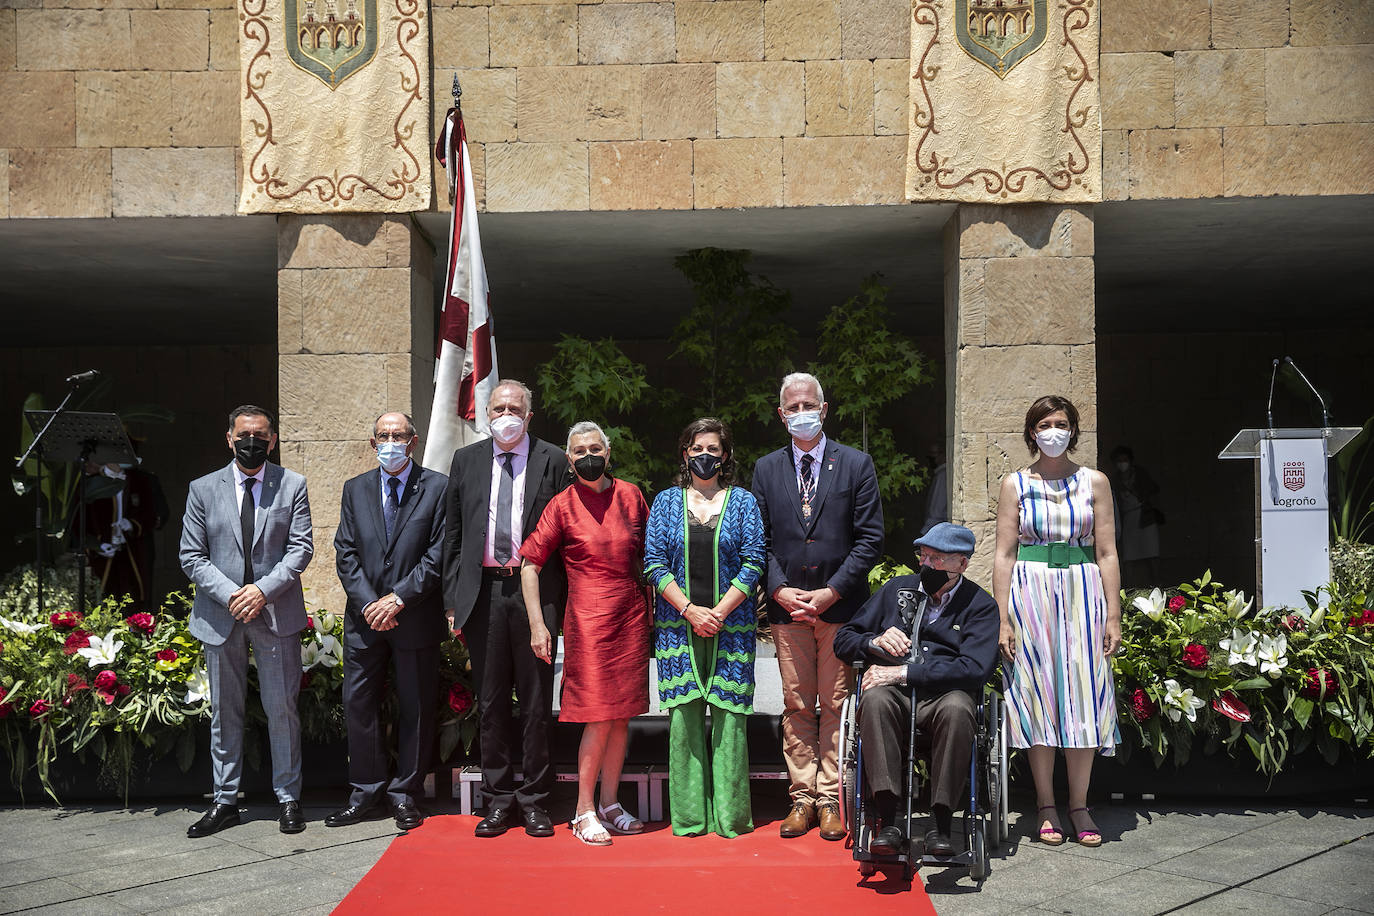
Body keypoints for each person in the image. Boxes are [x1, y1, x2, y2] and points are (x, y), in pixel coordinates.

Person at [751, 372, 884, 840]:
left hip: (840, 610)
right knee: (797, 705)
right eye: (793, 406)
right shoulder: (766, 469)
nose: (802, 412)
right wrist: (779, 589)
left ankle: (832, 799)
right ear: (781, 413)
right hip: (788, 609)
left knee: (836, 702)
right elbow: (757, 540)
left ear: (824, 410)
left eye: (810, 404)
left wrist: (832, 592)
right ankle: (801, 799)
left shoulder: (856, 464)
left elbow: (870, 540)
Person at [994, 395, 1122, 848]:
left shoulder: (1095, 482)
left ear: (1073, 429)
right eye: (1045, 423)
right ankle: (1046, 804)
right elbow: (1004, 555)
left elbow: (1107, 551)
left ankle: (1080, 804)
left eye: (1062, 423)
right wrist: (1003, 620)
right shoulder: (1016, 484)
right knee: (1038, 693)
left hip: (1082, 591)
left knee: (1084, 693)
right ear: (1032, 432)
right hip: (1030, 593)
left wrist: (1113, 614)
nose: (1054, 430)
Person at [179, 405, 313, 837]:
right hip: (221, 616)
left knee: (282, 711)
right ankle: (225, 800)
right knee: (225, 712)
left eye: (260, 435)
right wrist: (234, 595)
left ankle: (288, 799)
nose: (251, 441)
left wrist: (261, 591)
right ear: (229, 438)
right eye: (243, 434)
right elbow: (191, 555)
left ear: (272, 440)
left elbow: (300, 549)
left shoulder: (292, 485)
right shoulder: (202, 489)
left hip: (275, 613)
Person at [443, 380, 567, 839]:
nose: (506, 415)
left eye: (515, 408)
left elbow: (566, 537)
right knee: (491, 701)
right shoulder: (466, 460)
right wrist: (452, 602)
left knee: (536, 702)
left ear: (529, 416)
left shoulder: (553, 460)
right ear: (485, 414)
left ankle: (535, 800)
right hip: (483, 596)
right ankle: (497, 800)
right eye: (498, 408)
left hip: (537, 596)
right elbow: (452, 535)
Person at [519, 421, 650, 846]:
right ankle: (583, 809)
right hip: (588, 619)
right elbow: (530, 564)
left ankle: (610, 804)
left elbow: (652, 557)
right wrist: (538, 624)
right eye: (579, 451)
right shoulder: (561, 504)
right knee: (597, 716)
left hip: (630, 615)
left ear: (608, 453)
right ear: (569, 457)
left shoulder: (631, 495)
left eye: (595, 448)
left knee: (622, 716)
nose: (587, 456)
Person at [833, 523, 999, 857]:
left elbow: (975, 668)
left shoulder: (980, 606)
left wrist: (906, 673)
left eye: (937, 559)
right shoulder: (898, 590)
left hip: (944, 694)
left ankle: (941, 822)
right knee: (875, 699)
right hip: (894, 695)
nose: (927, 565)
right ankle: (888, 818)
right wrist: (873, 641)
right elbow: (844, 640)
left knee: (958, 709)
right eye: (924, 555)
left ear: (961, 564)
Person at [644, 418, 765, 837]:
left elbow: (754, 563)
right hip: (677, 628)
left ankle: (731, 819)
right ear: (685, 454)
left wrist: (720, 612)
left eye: (713, 449)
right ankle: (691, 818)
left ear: (726, 456)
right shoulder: (664, 503)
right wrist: (691, 610)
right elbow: (654, 564)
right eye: (697, 449)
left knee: (731, 720)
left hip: (733, 627)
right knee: (684, 721)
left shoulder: (744, 503)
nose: (705, 456)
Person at [329, 412, 447, 832]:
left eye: (399, 435)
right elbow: (345, 551)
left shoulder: (437, 487)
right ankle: (365, 792)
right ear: (372, 442)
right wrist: (369, 603)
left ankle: (405, 794)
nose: (391, 442)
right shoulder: (355, 488)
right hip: (365, 621)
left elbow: (438, 556)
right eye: (383, 435)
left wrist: (397, 600)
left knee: (416, 706)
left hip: (413, 616)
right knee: (358, 704)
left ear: (413, 442)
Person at [1108, 445, 1162, 587]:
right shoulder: (1115, 479)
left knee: (1152, 554)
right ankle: (1128, 589)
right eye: (1119, 461)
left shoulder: (1140, 474)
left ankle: (1158, 586)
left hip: (1146, 518)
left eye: (1124, 460)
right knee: (1129, 557)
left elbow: (1154, 490)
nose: (1122, 464)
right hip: (1128, 519)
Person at [919, 443, 948, 536]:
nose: (931, 457)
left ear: (943, 454)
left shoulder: (943, 475)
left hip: (936, 531)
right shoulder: (940, 474)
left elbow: (937, 511)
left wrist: (926, 533)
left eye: (934, 453)